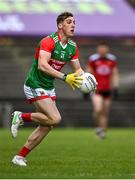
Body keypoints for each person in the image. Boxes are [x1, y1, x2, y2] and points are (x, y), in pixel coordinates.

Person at [11, 12, 96, 166]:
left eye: (74, 22)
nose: (73, 25)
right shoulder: (48, 41)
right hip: (34, 83)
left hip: (48, 86)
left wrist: (90, 82)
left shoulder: (72, 47)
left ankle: (19, 157)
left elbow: (78, 71)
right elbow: (42, 65)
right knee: (55, 118)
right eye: (69, 22)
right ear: (60, 25)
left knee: (47, 125)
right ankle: (21, 117)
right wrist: (65, 77)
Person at [86, 42, 119, 139]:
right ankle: (98, 128)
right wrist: (86, 88)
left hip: (107, 89)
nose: (102, 51)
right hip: (96, 89)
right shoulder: (93, 60)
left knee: (105, 112)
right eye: (101, 49)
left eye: (104, 49)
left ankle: (102, 133)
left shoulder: (111, 60)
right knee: (98, 109)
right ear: (98, 50)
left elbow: (115, 74)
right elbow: (88, 73)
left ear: (107, 50)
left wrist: (116, 88)